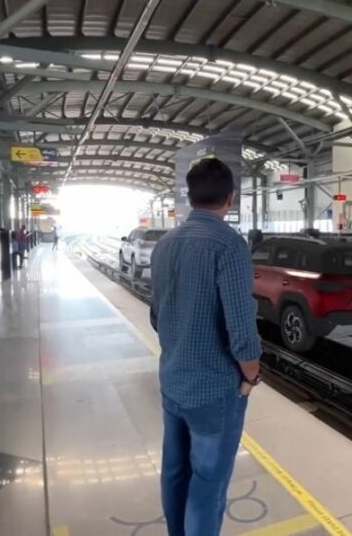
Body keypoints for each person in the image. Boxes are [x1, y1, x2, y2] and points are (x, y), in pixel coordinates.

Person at [149, 157, 262, 536]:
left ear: (190, 196)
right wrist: (251, 374)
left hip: (172, 381)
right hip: (214, 390)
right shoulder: (229, 244)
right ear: (230, 198)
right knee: (208, 484)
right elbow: (241, 326)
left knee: (175, 472)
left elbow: (155, 315)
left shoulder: (165, 244)